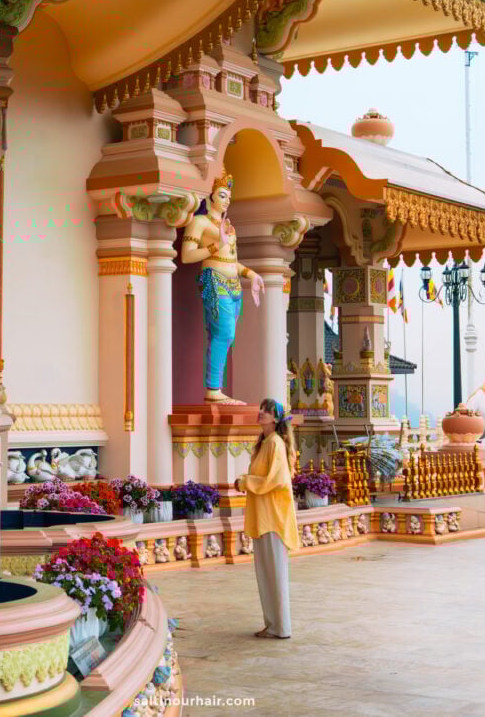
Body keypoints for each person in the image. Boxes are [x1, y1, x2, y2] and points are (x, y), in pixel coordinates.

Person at [181, 168, 264, 405]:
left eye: (229, 195)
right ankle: (213, 390)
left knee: (227, 337)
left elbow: (231, 261)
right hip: (214, 280)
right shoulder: (199, 222)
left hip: (233, 283)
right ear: (209, 197)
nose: (227, 200)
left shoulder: (228, 226)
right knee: (223, 333)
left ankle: (215, 389)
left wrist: (251, 274)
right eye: (222, 194)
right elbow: (187, 256)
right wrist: (216, 245)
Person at [235, 398, 299, 638]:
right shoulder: (264, 443)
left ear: (276, 418)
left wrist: (245, 482)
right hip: (263, 516)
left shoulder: (275, 444)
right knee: (266, 573)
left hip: (273, 518)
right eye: (261, 409)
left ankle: (281, 626)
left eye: (266, 411)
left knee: (275, 573)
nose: (260, 413)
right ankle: (273, 625)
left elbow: (277, 480)